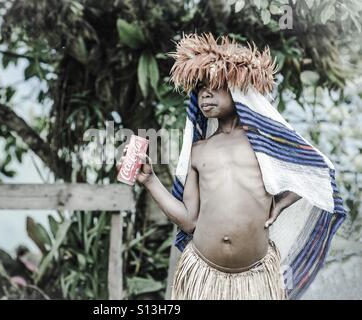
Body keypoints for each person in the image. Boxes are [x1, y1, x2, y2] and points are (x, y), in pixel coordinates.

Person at [117, 33, 346, 300]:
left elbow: (318, 172)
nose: (205, 93)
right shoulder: (198, 151)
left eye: (215, 84)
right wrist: (150, 181)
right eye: (200, 87)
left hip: (256, 278)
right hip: (203, 273)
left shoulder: (265, 144)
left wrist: (282, 203)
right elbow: (189, 221)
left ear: (239, 88)